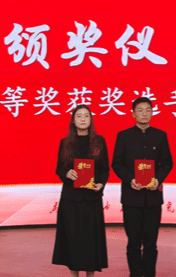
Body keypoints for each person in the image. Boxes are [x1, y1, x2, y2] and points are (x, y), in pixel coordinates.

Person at [111, 97, 173, 277]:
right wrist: (130, 179)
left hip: (153, 198)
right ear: (133, 114)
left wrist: (158, 179)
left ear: (152, 113)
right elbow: (117, 163)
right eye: (140, 110)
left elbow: (167, 163)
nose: (144, 113)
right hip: (131, 197)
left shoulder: (160, 135)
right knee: (133, 242)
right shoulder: (123, 136)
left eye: (148, 110)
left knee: (151, 243)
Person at [52, 104, 109, 277]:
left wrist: (101, 184)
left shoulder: (99, 141)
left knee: (91, 241)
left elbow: (105, 169)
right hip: (71, 199)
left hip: (92, 199)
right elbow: (59, 169)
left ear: (91, 120)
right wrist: (67, 173)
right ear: (73, 120)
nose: (83, 119)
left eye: (86, 116)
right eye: (79, 116)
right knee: (73, 240)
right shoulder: (65, 142)